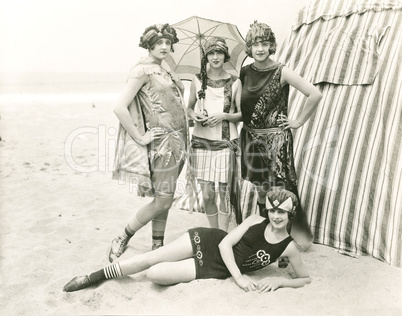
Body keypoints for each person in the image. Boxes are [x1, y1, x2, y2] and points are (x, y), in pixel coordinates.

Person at [63, 189, 310, 293]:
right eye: (273, 211)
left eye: (282, 212)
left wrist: (279, 283)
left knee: (154, 274)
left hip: (215, 268)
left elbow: (305, 278)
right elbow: (225, 245)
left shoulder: (288, 246)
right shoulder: (256, 220)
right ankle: (93, 277)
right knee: (151, 257)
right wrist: (239, 277)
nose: (276, 216)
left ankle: (130, 270)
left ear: (291, 214)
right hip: (209, 241)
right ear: (267, 211)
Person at [238, 21, 323, 251]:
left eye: (265, 44)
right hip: (251, 140)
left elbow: (314, 94)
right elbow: (241, 109)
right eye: (255, 44)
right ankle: (264, 236)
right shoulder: (244, 72)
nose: (260, 49)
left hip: (276, 142)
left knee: (279, 192)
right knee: (261, 190)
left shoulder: (281, 71)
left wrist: (297, 122)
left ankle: (282, 243)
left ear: (271, 45)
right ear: (249, 47)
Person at [110, 23, 187, 262]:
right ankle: (123, 235)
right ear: (149, 45)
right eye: (159, 43)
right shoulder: (141, 70)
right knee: (164, 199)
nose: (164, 47)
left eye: (167, 43)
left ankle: (157, 245)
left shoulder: (164, 70)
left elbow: (172, 105)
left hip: (180, 142)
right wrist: (139, 137)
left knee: (164, 199)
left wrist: (181, 89)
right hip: (162, 146)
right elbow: (119, 107)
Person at [186, 37, 242, 231]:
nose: (215, 57)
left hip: (225, 144)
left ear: (225, 55)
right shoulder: (197, 79)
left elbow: (242, 115)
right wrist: (196, 115)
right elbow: (189, 109)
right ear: (206, 56)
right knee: (208, 194)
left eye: (219, 53)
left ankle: (223, 234)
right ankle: (213, 233)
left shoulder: (235, 82)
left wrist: (224, 115)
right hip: (201, 143)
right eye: (211, 53)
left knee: (224, 194)